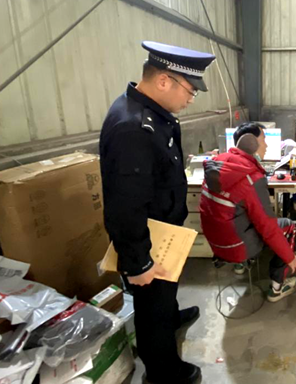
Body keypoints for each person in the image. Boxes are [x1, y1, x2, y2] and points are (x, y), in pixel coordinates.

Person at [100, 41, 215, 384]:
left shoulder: (154, 114)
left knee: (165, 298)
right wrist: (138, 264)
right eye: (190, 90)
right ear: (164, 80)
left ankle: (171, 316)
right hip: (148, 240)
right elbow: (125, 205)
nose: (191, 98)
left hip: (165, 230)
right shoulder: (133, 127)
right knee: (152, 308)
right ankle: (163, 371)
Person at [200, 123, 296, 301]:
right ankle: (277, 287)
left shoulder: (217, 164)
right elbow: (267, 227)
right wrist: (291, 258)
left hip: (215, 243)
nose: (267, 145)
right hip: (236, 246)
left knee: (237, 213)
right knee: (286, 225)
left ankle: (240, 266)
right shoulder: (250, 178)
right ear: (251, 142)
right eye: (264, 139)